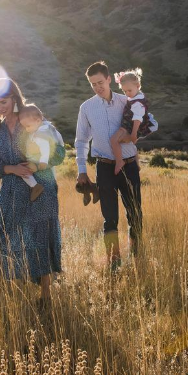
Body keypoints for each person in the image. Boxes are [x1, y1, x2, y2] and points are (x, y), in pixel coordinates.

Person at [0, 78, 61, 303]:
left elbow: (57, 154)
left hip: (40, 190)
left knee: (40, 240)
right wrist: (12, 168)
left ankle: (46, 295)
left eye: (3, 102)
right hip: (9, 191)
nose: (0, 108)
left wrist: (36, 166)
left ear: (15, 98)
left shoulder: (32, 121)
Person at [74, 61, 144, 270]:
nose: (98, 87)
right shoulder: (86, 108)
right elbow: (81, 141)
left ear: (109, 79)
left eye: (100, 82)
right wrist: (82, 171)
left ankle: (137, 258)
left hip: (129, 166)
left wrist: (135, 136)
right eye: (93, 84)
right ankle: (114, 263)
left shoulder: (127, 101)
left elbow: (145, 122)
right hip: (104, 167)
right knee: (110, 218)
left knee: (135, 214)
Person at [108, 67, 156, 175]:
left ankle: (119, 161)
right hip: (129, 126)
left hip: (130, 127)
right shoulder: (136, 97)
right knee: (127, 143)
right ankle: (136, 163)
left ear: (138, 86)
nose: (127, 93)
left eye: (129, 90)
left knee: (113, 140)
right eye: (124, 91)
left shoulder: (137, 102)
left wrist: (134, 134)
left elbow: (137, 119)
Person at [17, 104, 64, 202]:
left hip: (40, 160)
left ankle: (35, 186)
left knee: (23, 171)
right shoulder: (47, 128)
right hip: (43, 159)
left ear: (38, 121)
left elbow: (45, 148)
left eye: (28, 126)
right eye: (24, 127)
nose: (26, 129)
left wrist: (43, 162)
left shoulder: (40, 133)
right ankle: (48, 186)